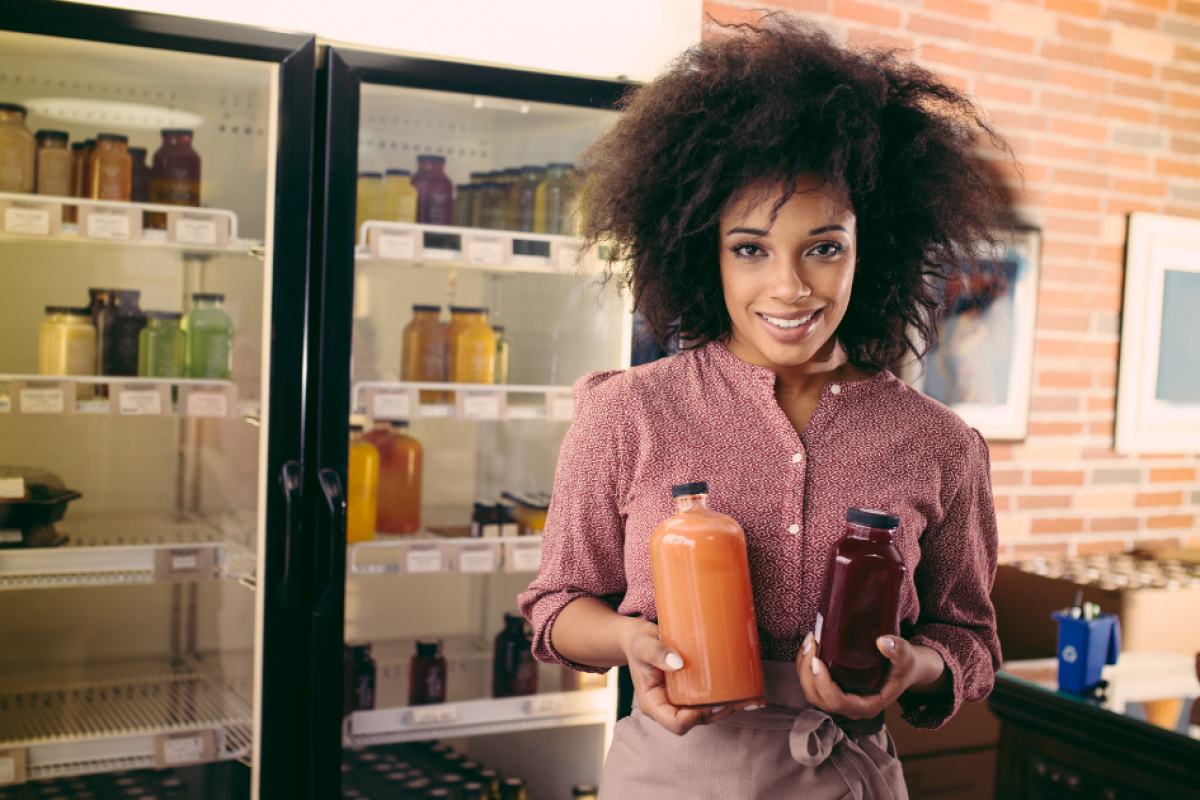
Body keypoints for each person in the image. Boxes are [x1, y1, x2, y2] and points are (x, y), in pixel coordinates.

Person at [519, 14, 1007, 799]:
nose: (789, 287)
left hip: (844, 775)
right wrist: (627, 642)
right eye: (750, 248)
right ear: (701, 251)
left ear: (869, 247)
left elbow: (970, 641)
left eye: (824, 247)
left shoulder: (940, 445)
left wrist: (913, 668)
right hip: (670, 775)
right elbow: (555, 604)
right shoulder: (628, 414)